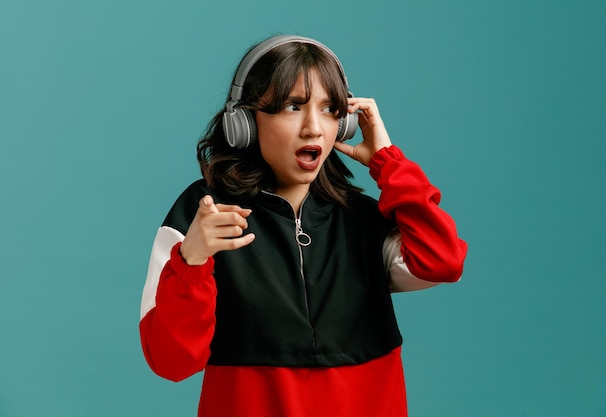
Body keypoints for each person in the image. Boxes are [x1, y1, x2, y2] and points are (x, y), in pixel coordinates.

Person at [139, 34, 468, 417]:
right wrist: (192, 261)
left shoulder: (362, 219)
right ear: (243, 122)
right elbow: (171, 362)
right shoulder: (200, 217)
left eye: (330, 110)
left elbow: (443, 262)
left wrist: (389, 163)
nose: (314, 128)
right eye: (293, 106)